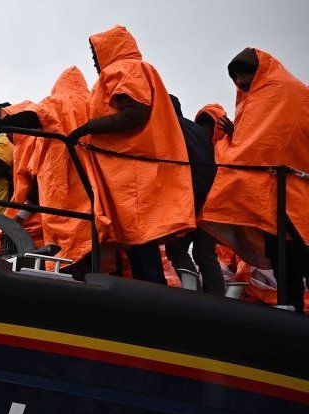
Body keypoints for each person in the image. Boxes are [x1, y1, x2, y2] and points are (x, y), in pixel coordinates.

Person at [69, 25, 196, 284]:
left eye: (95, 54)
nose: (94, 60)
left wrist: (86, 129)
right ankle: (150, 294)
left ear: (110, 48)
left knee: (141, 241)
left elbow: (134, 114)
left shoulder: (125, 69)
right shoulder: (134, 70)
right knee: (140, 242)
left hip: (134, 174)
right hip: (134, 172)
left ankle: (151, 296)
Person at [198, 48, 309, 310]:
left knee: (292, 255)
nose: (240, 85)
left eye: (243, 79)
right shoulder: (280, 95)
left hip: (285, 192)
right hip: (279, 194)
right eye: (237, 81)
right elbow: (262, 141)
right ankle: (290, 312)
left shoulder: (278, 94)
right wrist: (235, 135)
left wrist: (229, 143)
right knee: (285, 257)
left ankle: (291, 310)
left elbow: (264, 145)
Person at [0, 67, 95, 274]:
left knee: (70, 257)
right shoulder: (94, 103)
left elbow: (34, 114)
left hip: (59, 198)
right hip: (92, 200)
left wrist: (5, 120)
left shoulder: (56, 104)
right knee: (88, 254)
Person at [163, 94, 225, 295]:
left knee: (176, 248)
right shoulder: (199, 133)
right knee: (205, 252)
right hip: (212, 198)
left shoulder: (170, 127)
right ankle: (216, 299)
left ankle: (193, 294)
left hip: (189, 196)